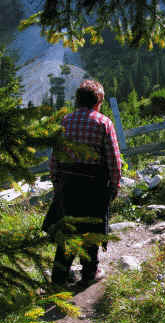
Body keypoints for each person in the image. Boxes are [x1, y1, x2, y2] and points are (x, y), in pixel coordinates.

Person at [43, 79, 122, 288]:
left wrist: (57, 184)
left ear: (77, 100)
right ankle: (89, 273)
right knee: (91, 229)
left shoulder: (65, 122)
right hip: (94, 185)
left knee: (67, 230)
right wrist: (114, 187)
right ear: (98, 100)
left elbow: (54, 160)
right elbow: (113, 160)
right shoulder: (104, 123)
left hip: (68, 184)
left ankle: (59, 277)